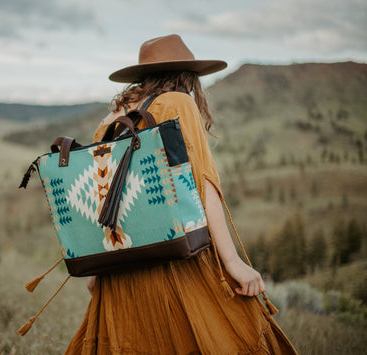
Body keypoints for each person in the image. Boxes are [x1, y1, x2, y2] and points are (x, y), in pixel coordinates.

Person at [65, 34, 298, 354]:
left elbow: (102, 196)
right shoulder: (178, 103)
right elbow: (202, 184)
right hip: (174, 257)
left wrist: (97, 269)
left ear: (143, 75)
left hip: (119, 267)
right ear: (188, 76)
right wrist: (232, 261)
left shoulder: (110, 120)